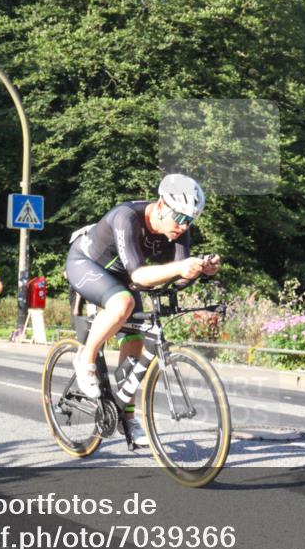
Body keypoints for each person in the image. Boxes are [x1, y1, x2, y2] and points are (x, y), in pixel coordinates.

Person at [65, 174, 220, 447]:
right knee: (123, 303)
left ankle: (127, 416)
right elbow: (139, 273)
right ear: (161, 205)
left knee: (136, 339)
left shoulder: (179, 229)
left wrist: (199, 270)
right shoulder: (127, 217)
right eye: (181, 218)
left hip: (123, 277)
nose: (184, 226)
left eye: (190, 221)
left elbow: (178, 274)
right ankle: (85, 358)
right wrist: (180, 269)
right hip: (87, 264)